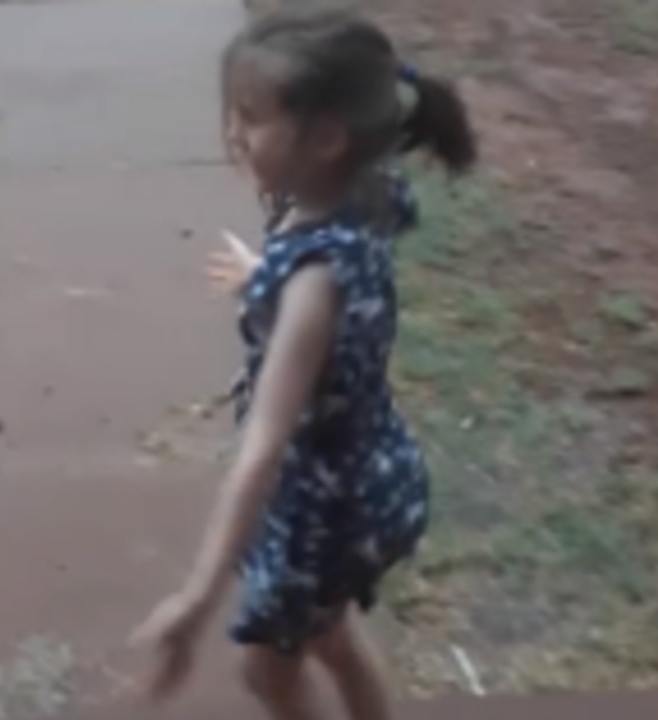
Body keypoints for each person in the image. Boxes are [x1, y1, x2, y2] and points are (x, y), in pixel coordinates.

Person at [131, 9, 477, 720]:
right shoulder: (359, 195)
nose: (232, 133)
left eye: (250, 118)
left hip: (320, 507)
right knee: (332, 638)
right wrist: (265, 278)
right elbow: (329, 286)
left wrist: (197, 598)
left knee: (266, 673)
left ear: (324, 138)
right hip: (369, 473)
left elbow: (261, 453)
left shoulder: (313, 286)